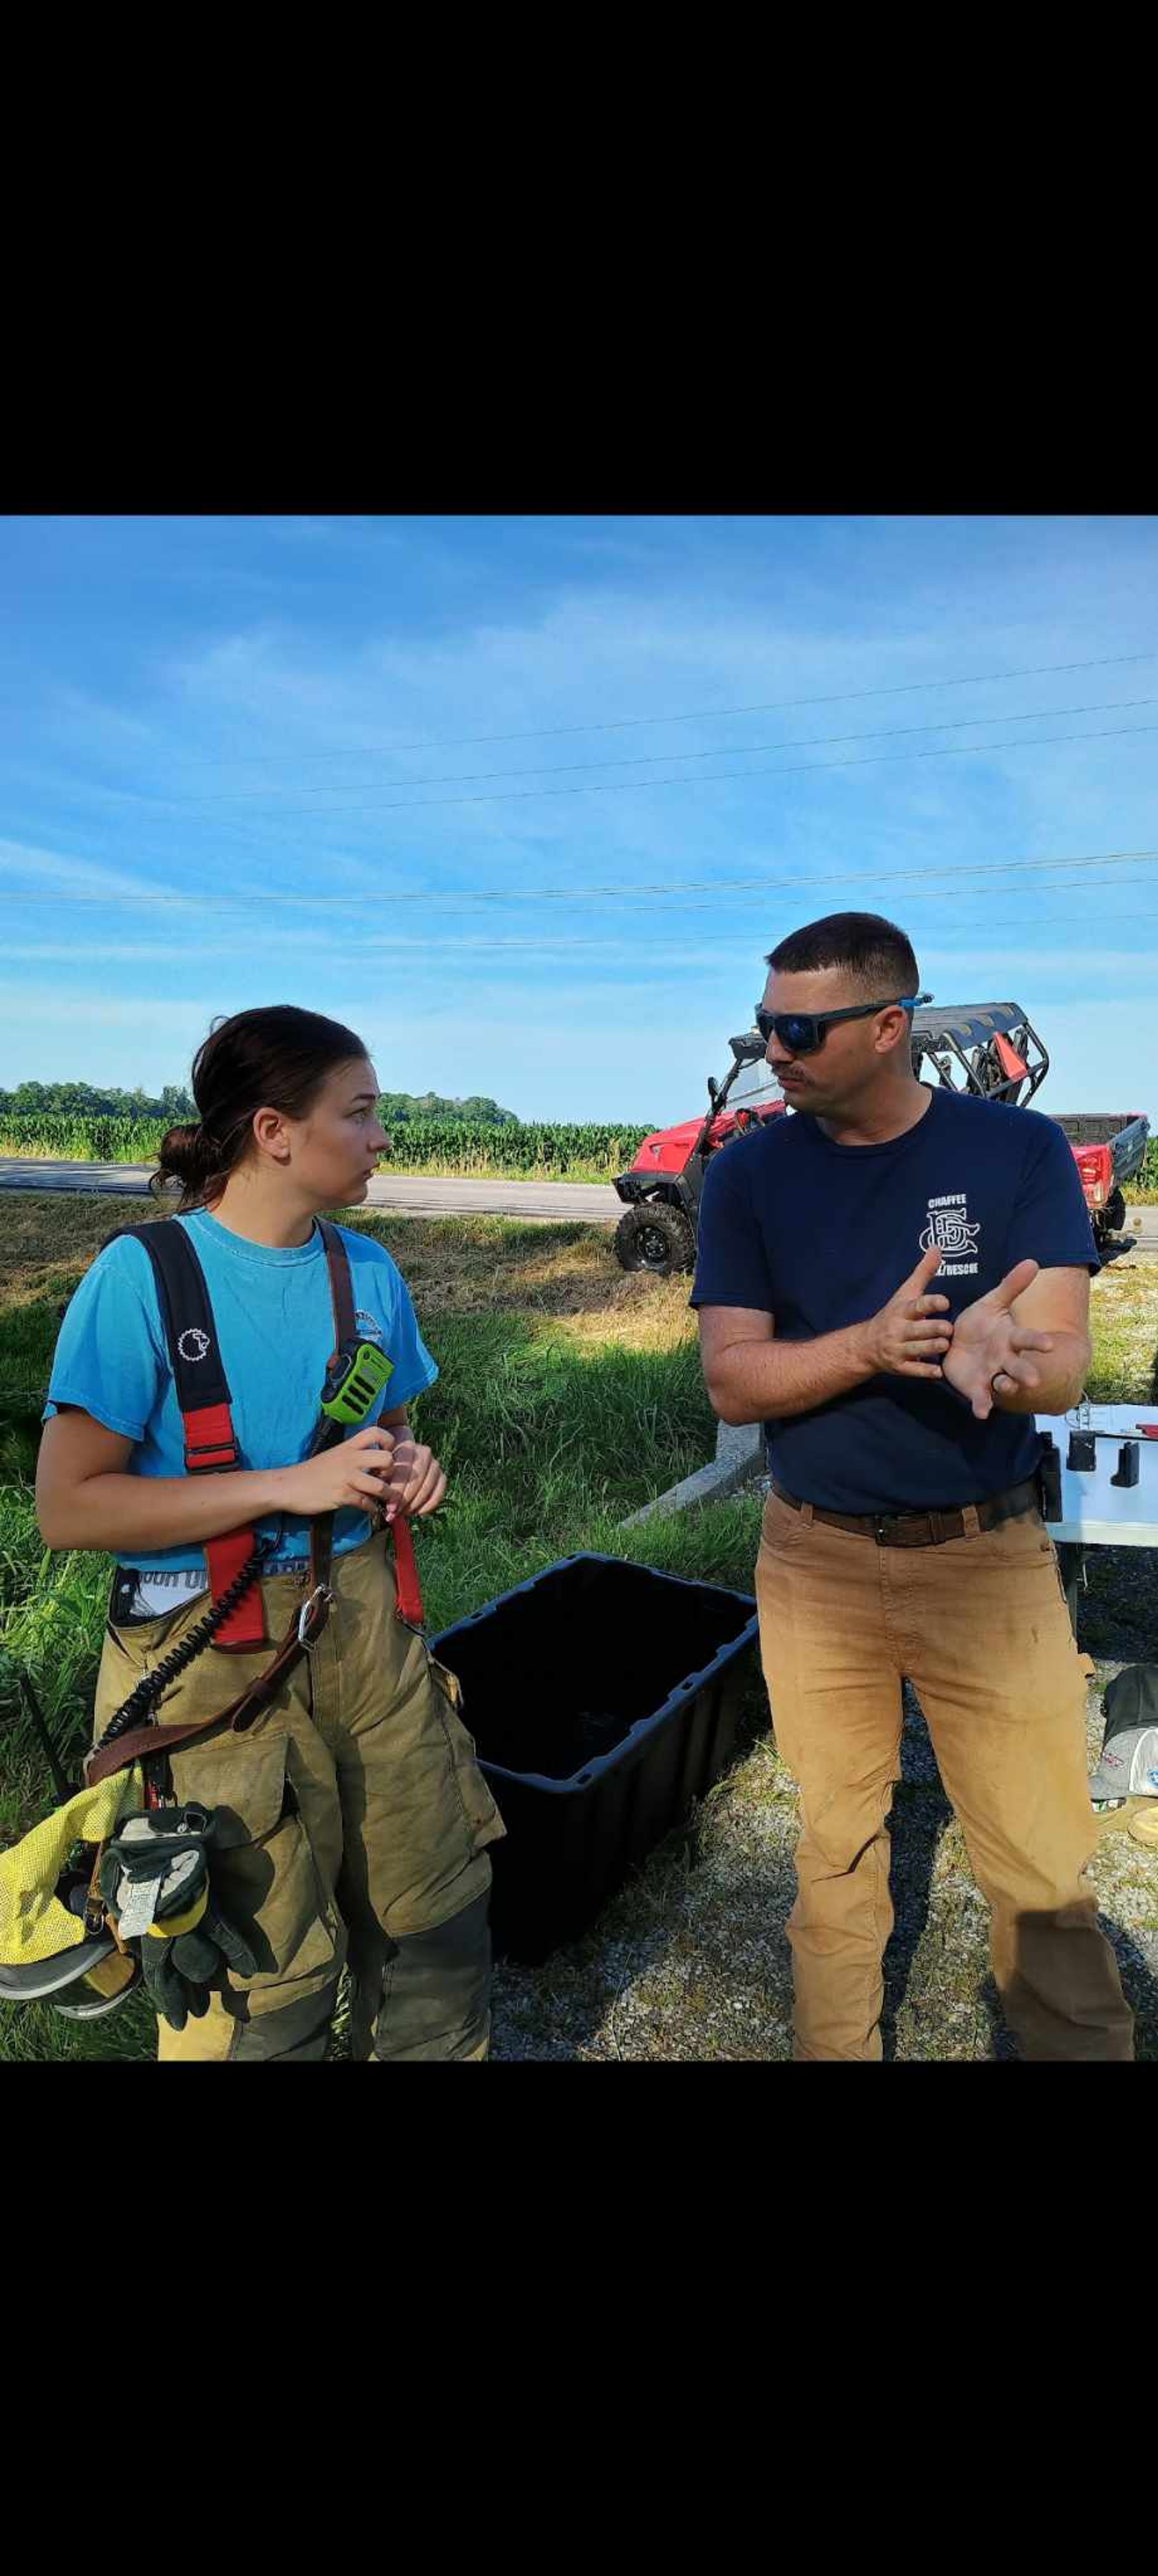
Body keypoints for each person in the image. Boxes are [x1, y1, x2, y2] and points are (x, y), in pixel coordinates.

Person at [691, 913, 1133, 2063]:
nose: (775, 1049)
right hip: (813, 1562)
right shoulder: (745, 1173)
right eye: (765, 1025)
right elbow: (734, 1382)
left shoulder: (1017, 1153)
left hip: (988, 1560)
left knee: (1041, 1867)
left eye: (799, 1028)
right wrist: (875, 1348)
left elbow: (1067, 1354)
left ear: (889, 1026)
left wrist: (1022, 1367)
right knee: (833, 1853)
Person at [35, 1004, 505, 2062]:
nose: (384, 1136)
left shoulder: (369, 1273)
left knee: (436, 1921)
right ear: (274, 1132)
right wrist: (290, 1484)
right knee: (262, 1985)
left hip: (369, 1633)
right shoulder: (144, 1278)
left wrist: (407, 1466)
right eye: (363, 1111)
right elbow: (70, 1507)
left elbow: (389, 1429)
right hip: (210, 1667)